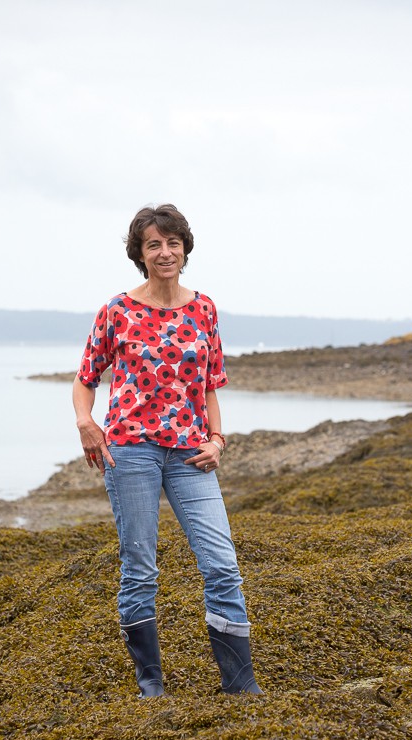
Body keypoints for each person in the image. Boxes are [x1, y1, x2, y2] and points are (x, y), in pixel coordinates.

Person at [73, 203, 263, 697]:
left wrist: (218, 440)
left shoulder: (204, 308)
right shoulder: (116, 311)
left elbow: (211, 385)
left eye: (172, 242)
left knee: (222, 562)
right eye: (154, 244)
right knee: (140, 566)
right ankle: (151, 685)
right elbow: (85, 379)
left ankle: (239, 686)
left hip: (190, 455)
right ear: (139, 252)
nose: (165, 252)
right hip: (130, 451)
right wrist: (85, 423)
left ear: (185, 248)